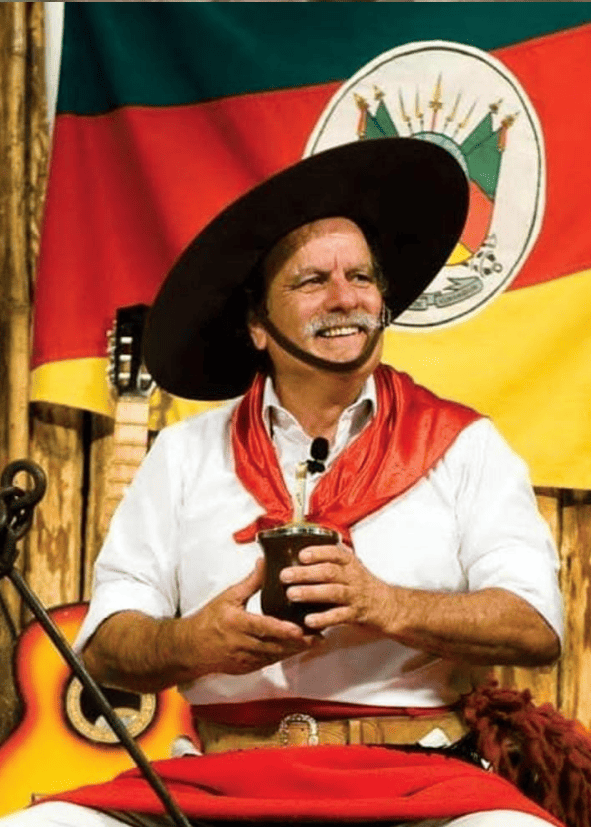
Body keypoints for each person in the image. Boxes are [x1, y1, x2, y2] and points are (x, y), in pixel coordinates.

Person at [2, 138, 565, 826]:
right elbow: (104, 649)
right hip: (215, 781)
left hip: (413, 779)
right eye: (311, 281)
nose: (345, 298)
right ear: (257, 326)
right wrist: (193, 642)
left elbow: (535, 627)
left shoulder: (464, 446)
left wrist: (383, 602)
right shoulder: (183, 455)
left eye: (361, 277)